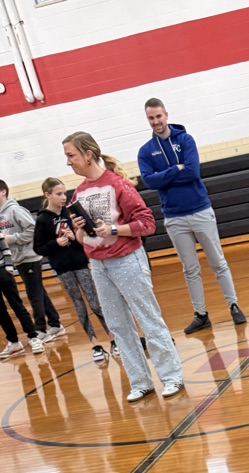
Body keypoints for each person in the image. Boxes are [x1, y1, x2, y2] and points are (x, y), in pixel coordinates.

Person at [63, 131, 184, 401]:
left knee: (148, 318)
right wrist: (81, 232)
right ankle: (141, 381)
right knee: (118, 325)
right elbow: (82, 238)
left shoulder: (117, 184)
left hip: (127, 259)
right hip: (98, 264)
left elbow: (147, 224)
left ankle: (171, 376)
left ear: (88, 154)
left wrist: (114, 229)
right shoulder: (79, 193)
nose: (68, 162)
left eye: (71, 155)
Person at [137, 98, 246, 335]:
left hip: (200, 210)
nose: (156, 122)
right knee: (190, 268)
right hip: (174, 217)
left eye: (159, 116)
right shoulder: (146, 151)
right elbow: (149, 181)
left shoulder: (185, 139)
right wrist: (175, 170)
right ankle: (201, 314)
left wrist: (166, 176)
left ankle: (234, 305)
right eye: (151, 118)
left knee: (218, 262)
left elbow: (192, 172)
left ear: (166, 114)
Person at [33, 177, 118, 365]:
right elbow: (38, 248)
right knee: (79, 305)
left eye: (65, 193)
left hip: (80, 263)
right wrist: (56, 243)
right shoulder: (42, 219)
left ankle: (113, 339)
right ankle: (95, 344)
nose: (63, 197)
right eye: (58, 194)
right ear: (48, 195)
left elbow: (88, 234)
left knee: (95, 302)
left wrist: (76, 236)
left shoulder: (71, 212)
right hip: (63, 268)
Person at [0, 180, 65, 342]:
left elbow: (32, 229)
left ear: (3, 191)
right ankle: (56, 324)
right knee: (39, 293)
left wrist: (12, 239)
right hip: (19, 259)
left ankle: (40, 330)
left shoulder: (14, 210)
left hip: (30, 257)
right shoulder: (1, 214)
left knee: (33, 295)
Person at [0, 233, 41, 359]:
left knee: (17, 305)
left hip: (2, 271)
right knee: (1, 313)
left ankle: (33, 336)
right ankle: (13, 341)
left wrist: (8, 267)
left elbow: (5, 249)